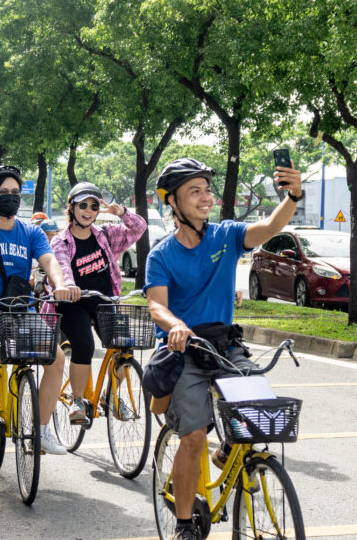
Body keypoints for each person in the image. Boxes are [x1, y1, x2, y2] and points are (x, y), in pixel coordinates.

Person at [144, 157, 302, 540]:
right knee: (194, 436)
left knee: (259, 417)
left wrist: (294, 196)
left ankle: (229, 450)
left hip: (224, 346)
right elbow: (156, 305)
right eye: (193, 191)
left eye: (206, 190)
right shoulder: (161, 255)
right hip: (184, 352)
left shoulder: (225, 235)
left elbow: (268, 227)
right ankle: (184, 524)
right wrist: (176, 325)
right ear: (173, 202)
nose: (205, 197)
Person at [0, 165, 78, 455]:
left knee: (56, 358)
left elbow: (50, 261)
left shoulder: (31, 232)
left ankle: (43, 429)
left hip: (21, 308)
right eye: (3, 192)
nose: (10, 197)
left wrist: (60, 283)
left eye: (15, 192)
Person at [49, 181, 145, 424]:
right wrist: (69, 287)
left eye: (93, 206)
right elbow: (61, 266)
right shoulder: (61, 241)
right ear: (71, 207)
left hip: (104, 301)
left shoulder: (106, 235)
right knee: (85, 345)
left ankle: (109, 397)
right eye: (83, 205)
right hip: (74, 304)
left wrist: (121, 213)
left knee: (125, 346)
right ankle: (78, 400)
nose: (88, 210)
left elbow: (138, 228)